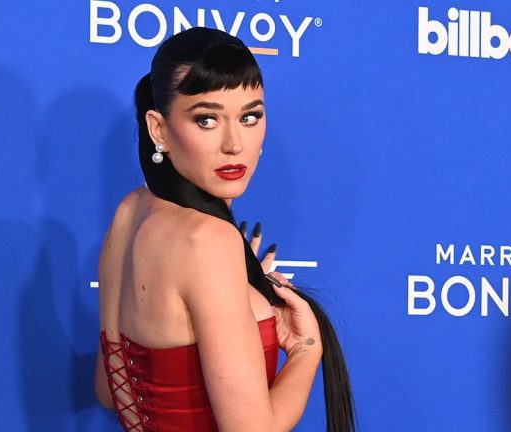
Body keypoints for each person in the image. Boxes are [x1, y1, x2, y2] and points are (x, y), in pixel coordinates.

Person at [93, 27, 354, 432]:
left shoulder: (130, 212)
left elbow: (110, 392)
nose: (234, 144)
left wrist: (241, 287)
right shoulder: (209, 243)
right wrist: (306, 349)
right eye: (208, 119)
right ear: (159, 129)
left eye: (250, 116)